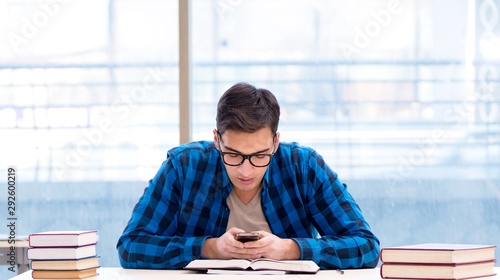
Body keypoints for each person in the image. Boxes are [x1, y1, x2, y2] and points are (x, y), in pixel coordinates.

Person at [116, 82, 380, 270]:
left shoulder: (303, 166)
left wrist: (291, 250)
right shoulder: (184, 167)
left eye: (259, 156)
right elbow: (131, 247)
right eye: (233, 155)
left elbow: (366, 246)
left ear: (276, 142)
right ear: (216, 139)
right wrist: (209, 249)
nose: (246, 170)